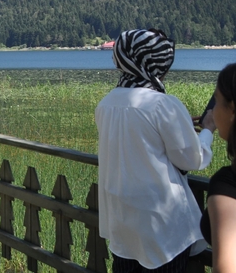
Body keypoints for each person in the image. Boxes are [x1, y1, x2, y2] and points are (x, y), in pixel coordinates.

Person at [95, 29, 215, 272]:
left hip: (123, 227)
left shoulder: (106, 104)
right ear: (159, 64)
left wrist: (179, 124)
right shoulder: (162, 104)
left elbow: (138, 139)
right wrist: (208, 130)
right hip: (162, 230)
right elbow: (192, 160)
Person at [200, 63, 236, 271]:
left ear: (232, 110)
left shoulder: (227, 184)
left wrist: (207, 130)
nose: (212, 110)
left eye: (217, 101)